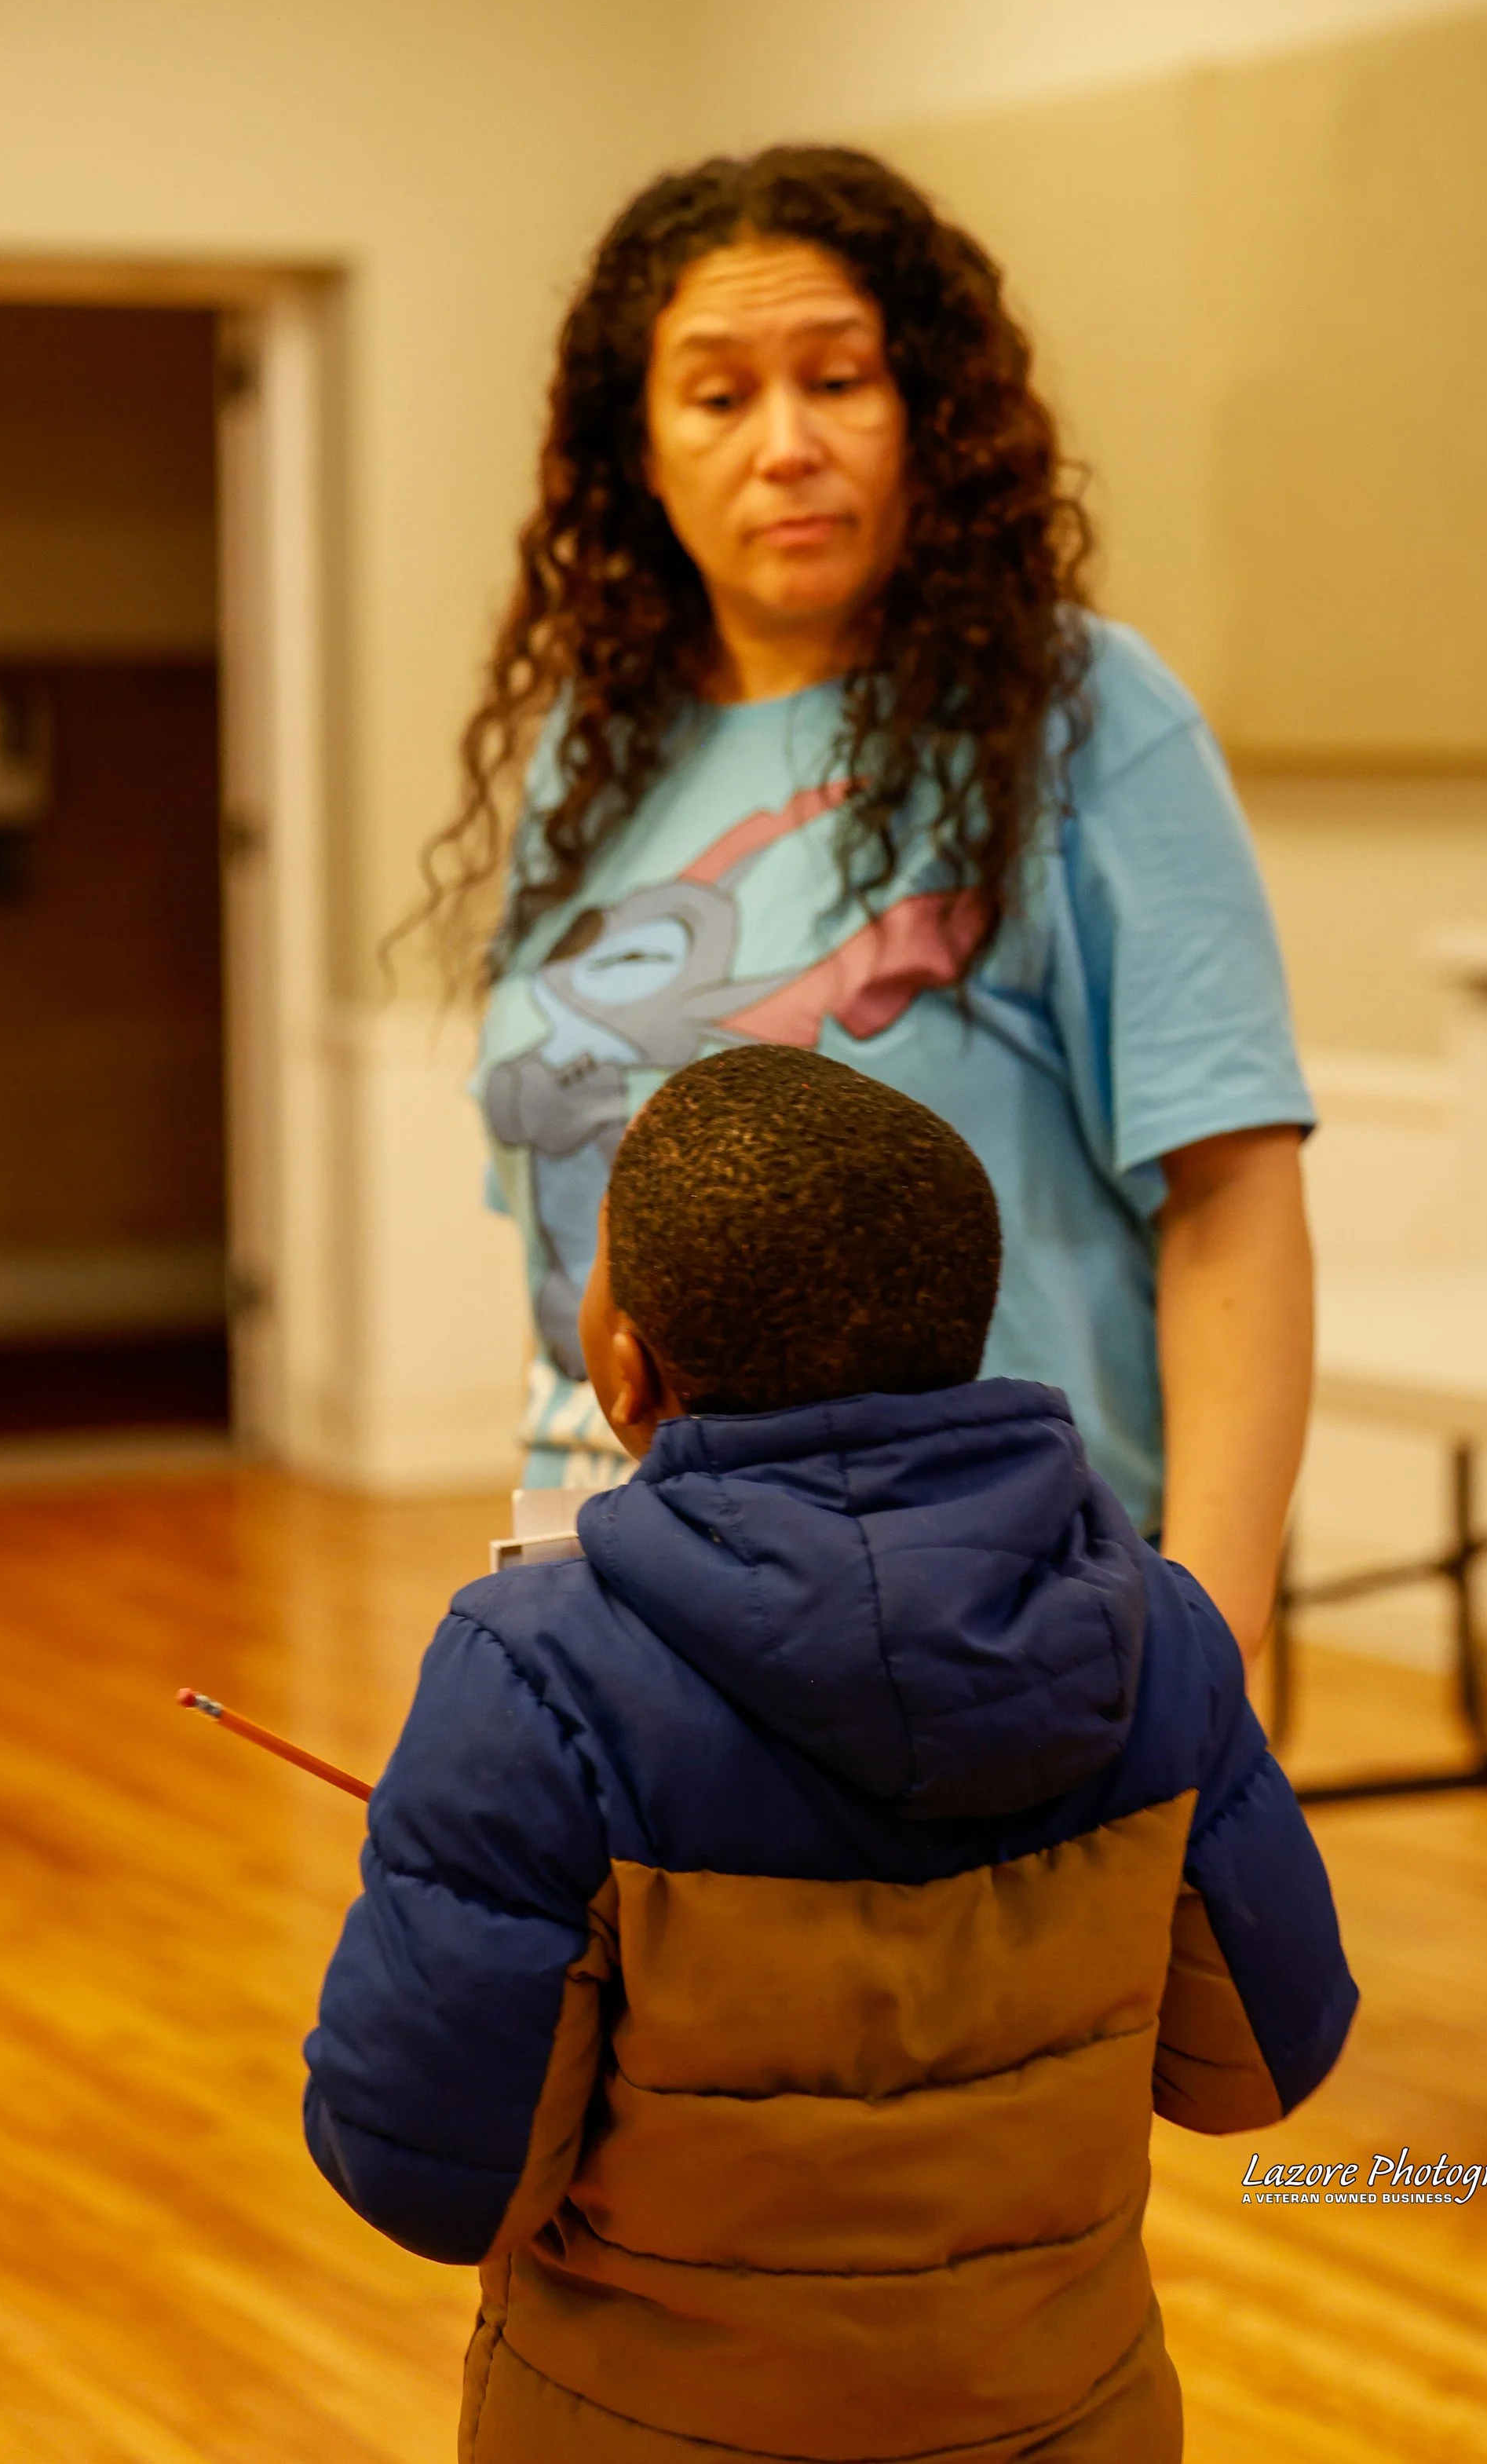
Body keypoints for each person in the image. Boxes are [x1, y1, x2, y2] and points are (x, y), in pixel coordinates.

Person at [304, 1046, 1357, 2463]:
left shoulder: (532, 1675)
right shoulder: (1160, 1633)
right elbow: (1255, 2067)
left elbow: (430, 2174)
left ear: (624, 1368)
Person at [428, 145, 1313, 1658]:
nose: (786, 444)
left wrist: (1209, 1654)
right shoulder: (602, 738)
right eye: (718, 396)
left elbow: (1232, 1206)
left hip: (989, 1617)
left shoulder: (1082, 710)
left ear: (928, 416)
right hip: (613, 1589)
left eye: (838, 379)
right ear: (639, 445)